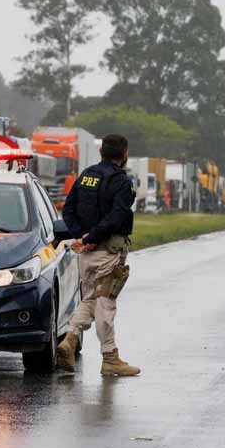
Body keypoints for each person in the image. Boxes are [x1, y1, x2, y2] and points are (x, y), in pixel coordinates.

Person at [58, 134, 140, 377]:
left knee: (90, 300)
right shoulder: (121, 182)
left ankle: (69, 340)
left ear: (101, 151)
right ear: (124, 154)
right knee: (105, 303)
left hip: (86, 254)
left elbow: (68, 208)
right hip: (108, 253)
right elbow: (116, 217)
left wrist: (81, 236)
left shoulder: (86, 176)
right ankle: (110, 358)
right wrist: (91, 238)